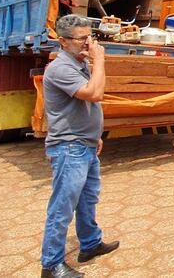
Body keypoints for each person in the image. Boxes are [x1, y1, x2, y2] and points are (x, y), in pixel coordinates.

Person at [40, 15, 119, 278]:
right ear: (63, 41)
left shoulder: (79, 63)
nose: (88, 43)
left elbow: (87, 104)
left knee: (88, 199)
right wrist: (100, 60)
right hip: (69, 148)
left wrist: (94, 135)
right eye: (81, 38)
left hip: (84, 144)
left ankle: (90, 243)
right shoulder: (61, 68)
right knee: (62, 207)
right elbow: (95, 93)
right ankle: (51, 265)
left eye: (90, 37)